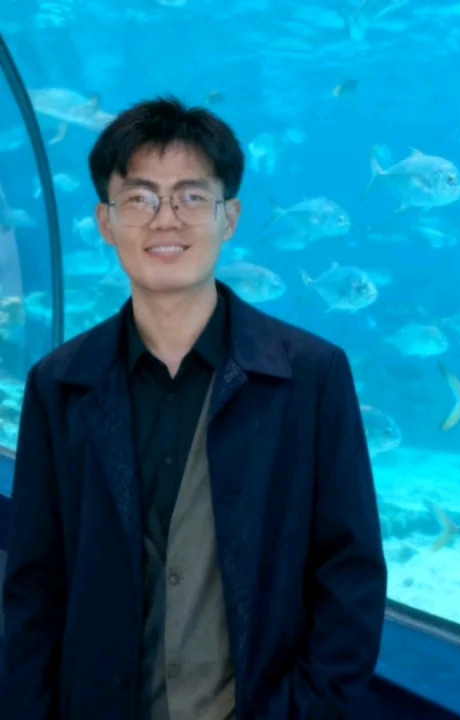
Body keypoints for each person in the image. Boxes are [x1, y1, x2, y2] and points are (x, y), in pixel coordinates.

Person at [1, 97, 387, 720]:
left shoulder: (312, 375)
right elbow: (34, 587)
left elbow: (351, 571)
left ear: (229, 216)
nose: (166, 219)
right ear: (105, 220)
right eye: (139, 198)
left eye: (191, 196)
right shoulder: (58, 383)